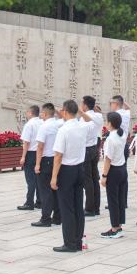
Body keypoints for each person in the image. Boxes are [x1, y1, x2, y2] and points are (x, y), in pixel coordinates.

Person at [51, 99, 87, 252]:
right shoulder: (82, 127)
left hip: (67, 170)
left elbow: (58, 155)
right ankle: (78, 241)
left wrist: (54, 177)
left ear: (65, 112)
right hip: (80, 169)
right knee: (78, 206)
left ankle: (70, 243)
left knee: (67, 208)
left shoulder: (64, 130)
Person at [32, 103, 63, 227]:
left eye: (41, 113)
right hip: (56, 160)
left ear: (44, 114)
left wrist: (37, 164)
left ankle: (45, 219)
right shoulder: (59, 124)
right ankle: (57, 217)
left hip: (46, 160)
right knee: (55, 189)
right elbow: (63, 118)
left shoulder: (44, 127)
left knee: (45, 191)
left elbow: (40, 147)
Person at [101, 111, 128, 237]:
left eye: (107, 121)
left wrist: (104, 176)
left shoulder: (110, 139)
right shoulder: (121, 134)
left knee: (113, 201)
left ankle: (114, 228)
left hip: (114, 171)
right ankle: (119, 226)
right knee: (120, 200)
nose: (105, 123)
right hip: (122, 169)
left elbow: (108, 159)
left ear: (110, 123)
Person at [80, 96, 104, 216]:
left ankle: (89, 208)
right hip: (94, 149)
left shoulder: (83, 119)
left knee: (88, 180)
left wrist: (80, 112)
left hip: (86, 150)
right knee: (94, 179)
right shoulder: (98, 116)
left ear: (85, 105)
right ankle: (96, 207)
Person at [18, 105, 42, 210]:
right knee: (38, 179)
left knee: (30, 180)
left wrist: (23, 157)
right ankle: (40, 202)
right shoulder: (42, 123)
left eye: (27, 112)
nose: (26, 114)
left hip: (31, 154)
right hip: (40, 154)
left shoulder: (29, 125)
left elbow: (26, 142)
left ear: (30, 113)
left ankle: (29, 202)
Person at [110, 95, 132, 159]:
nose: (110, 105)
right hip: (125, 144)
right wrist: (122, 101)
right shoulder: (126, 113)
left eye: (111, 103)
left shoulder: (114, 115)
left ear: (116, 104)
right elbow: (128, 108)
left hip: (117, 145)